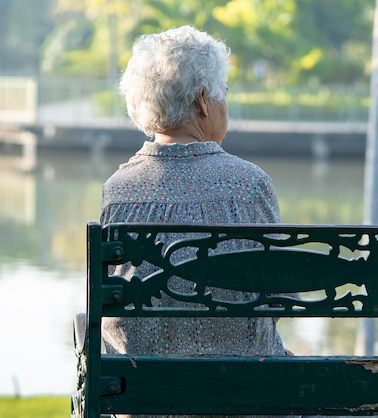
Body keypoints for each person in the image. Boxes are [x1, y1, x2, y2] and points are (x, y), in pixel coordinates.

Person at [100, 26, 288, 417]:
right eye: (223, 95)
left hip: (142, 396)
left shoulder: (118, 190)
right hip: (246, 393)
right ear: (204, 101)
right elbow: (276, 297)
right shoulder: (251, 184)